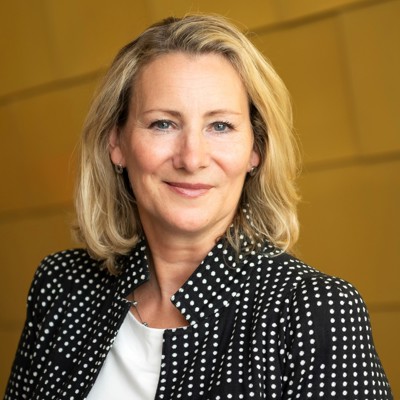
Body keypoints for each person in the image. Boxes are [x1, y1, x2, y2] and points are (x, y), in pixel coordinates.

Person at [4, 14, 392, 400]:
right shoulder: (63, 286)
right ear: (116, 143)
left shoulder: (316, 310)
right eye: (163, 124)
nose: (192, 159)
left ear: (255, 149)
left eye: (220, 126)